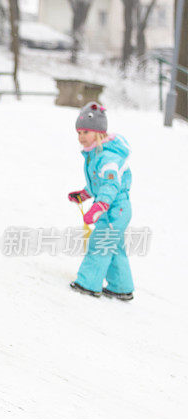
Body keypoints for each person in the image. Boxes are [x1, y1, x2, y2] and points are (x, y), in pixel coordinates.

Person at [68, 102, 134, 301]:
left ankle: (88, 283)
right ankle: (121, 287)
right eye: (78, 132)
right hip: (114, 209)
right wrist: (84, 195)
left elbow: (110, 186)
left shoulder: (108, 157)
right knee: (113, 247)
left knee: (100, 244)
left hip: (115, 209)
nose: (81, 137)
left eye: (85, 132)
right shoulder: (95, 154)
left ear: (98, 132)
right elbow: (98, 183)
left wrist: (100, 206)